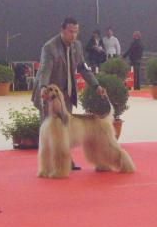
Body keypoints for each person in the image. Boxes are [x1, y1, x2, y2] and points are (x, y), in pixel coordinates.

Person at [32, 17, 106, 170]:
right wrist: (44, 88)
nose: (74, 35)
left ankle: (66, 161)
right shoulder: (50, 47)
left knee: (65, 129)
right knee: (51, 132)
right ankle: (49, 165)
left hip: (67, 94)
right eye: (71, 32)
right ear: (62, 30)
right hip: (49, 95)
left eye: (76, 32)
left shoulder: (77, 46)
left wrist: (96, 85)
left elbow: (83, 68)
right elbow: (45, 70)